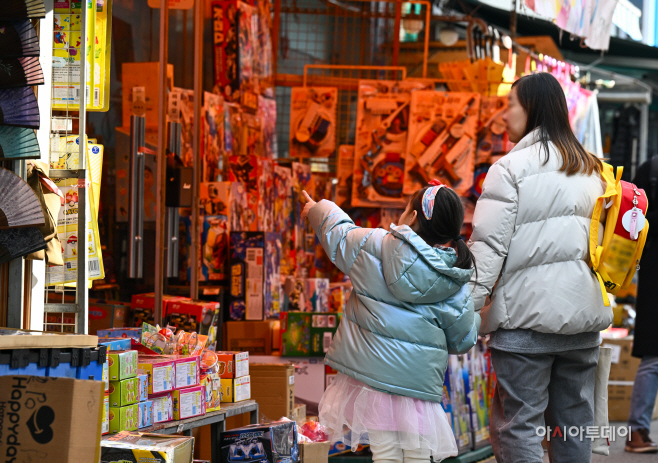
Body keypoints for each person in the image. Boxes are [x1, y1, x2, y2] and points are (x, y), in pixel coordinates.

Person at [468, 72, 612, 463]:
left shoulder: (510, 168)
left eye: (510, 104)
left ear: (529, 107)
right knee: (573, 424)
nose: (503, 115)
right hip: (583, 323)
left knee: (519, 425)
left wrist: (464, 310)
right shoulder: (595, 170)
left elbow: (488, 247)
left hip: (526, 323)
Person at [300, 183, 480, 463]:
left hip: (375, 379)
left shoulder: (375, 244)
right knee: (419, 454)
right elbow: (463, 340)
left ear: (412, 217)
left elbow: (339, 234)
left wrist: (317, 209)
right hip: (419, 384)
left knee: (385, 453)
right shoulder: (454, 276)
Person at [625, 155, 658, 453]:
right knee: (654, 359)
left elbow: (631, 221)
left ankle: (638, 431)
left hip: (652, 270)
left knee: (653, 357)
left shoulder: (651, 168)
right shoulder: (651, 169)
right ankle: (637, 431)